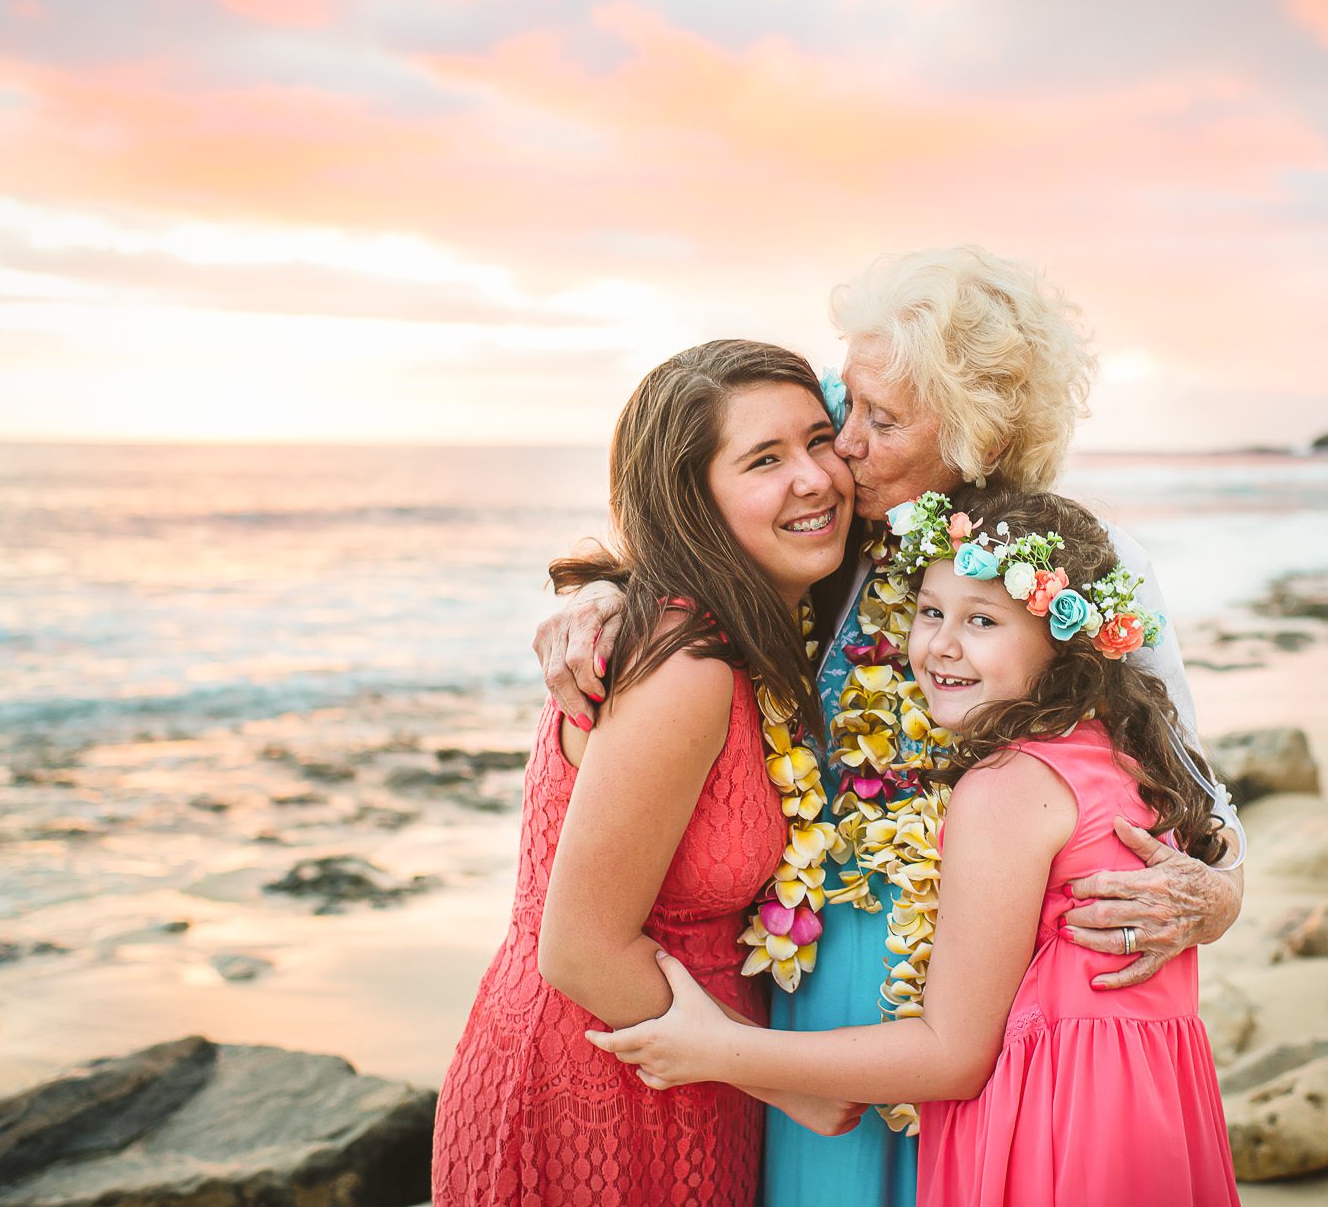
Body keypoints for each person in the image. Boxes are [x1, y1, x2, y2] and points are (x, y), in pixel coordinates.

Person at [532, 246, 1246, 1206]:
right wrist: (614, 596)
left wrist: (1220, 895)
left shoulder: (1070, 570)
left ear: (977, 436)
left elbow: (1188, 788)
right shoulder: (836, 537)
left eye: (880, 419)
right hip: (812, 968)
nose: (843, 448)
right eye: (844, 408)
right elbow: (709, 531)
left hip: (978, 998)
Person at [590, 488, 1243, 1207]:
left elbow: (952, 1055)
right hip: (1148, 1119)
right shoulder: (1127, 755)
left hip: (1056, 1135)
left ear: (1064, 639)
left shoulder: (1008, 790)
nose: (942, 645)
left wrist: (715, 1049)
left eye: (983, 620)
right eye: (931, 611)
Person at [432, 340, 867, 1206]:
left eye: (820, 440)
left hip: (690, 1067)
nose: (815, 478)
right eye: (764, 460)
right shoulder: (685, 664)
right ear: (691, 500)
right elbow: (580, 947)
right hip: (594, 1078)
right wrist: (792, 1083)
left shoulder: (758, 636)